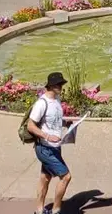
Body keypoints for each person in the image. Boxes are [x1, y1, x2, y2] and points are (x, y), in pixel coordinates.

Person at [27, 73, 72, 214]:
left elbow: (54, 119)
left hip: (55, 147)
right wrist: (47, 136)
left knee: (45, 178)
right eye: (58, 85)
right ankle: (56, 210)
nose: (61, 87)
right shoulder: (42, 103)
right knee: (66, 177)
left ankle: (39, 211)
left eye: (62, 84)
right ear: (51, 86)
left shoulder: (57, 100)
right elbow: (30, 126)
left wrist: (65, 123)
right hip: (45, 148)